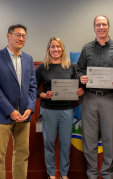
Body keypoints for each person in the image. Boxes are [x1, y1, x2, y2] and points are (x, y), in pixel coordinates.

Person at [77, 15, 113, 179]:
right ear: (94, 28)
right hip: (90, 98)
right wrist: (81, 77)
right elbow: (80, 70)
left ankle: (107, 174)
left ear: (108, 27)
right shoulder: (86, 48)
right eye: (98, 24)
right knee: (89, 139)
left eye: (104, 24)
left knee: (109, 139)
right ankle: (91, 174)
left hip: (109, 98)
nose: (101, 27)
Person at [35, 37, 84, 179]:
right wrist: (44, 94)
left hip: (67, 110)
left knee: (65, 145)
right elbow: (33, 89)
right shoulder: (42, 67)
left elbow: (76, 88)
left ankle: (64, 174)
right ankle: (51, 175)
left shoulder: (70, 67)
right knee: (49, 144)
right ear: (49, 49)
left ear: (62, 49)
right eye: (53, 46)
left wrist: (79, 92)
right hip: (48, 110)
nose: (56, 49)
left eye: (58, 46)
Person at [0, 24, 37, 179]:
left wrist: (29, 108)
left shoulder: (28, 59)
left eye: (24, 36)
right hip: (3, 115)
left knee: (22, 154)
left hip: (24, 116)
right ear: (8, 36)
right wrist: (10, 110)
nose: (21, 38)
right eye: (17, 35)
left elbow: (33, 87)